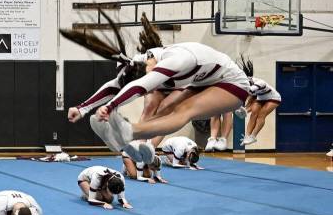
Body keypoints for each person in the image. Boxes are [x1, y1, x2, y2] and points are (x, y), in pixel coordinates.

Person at [62, 20, 249, 158]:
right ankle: (139, 146)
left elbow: (140, 86)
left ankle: (131, 133)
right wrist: (82, 108)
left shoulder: (177, 60)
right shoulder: (139, 62)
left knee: (184, 110)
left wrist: (110, 108)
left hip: (233, 84)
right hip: (202, 81)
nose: (152, 87)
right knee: (165, 108)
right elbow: (116, 85)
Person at [239, 59, 281, 147]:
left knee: (261, 115)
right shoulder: (248, 84)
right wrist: (246, 108)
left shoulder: (260, 83)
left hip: (273, 98)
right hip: (261, 97)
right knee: (253, 114)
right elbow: (250, 97)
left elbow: (249, 92)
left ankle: (253, 136)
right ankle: (247, 136)